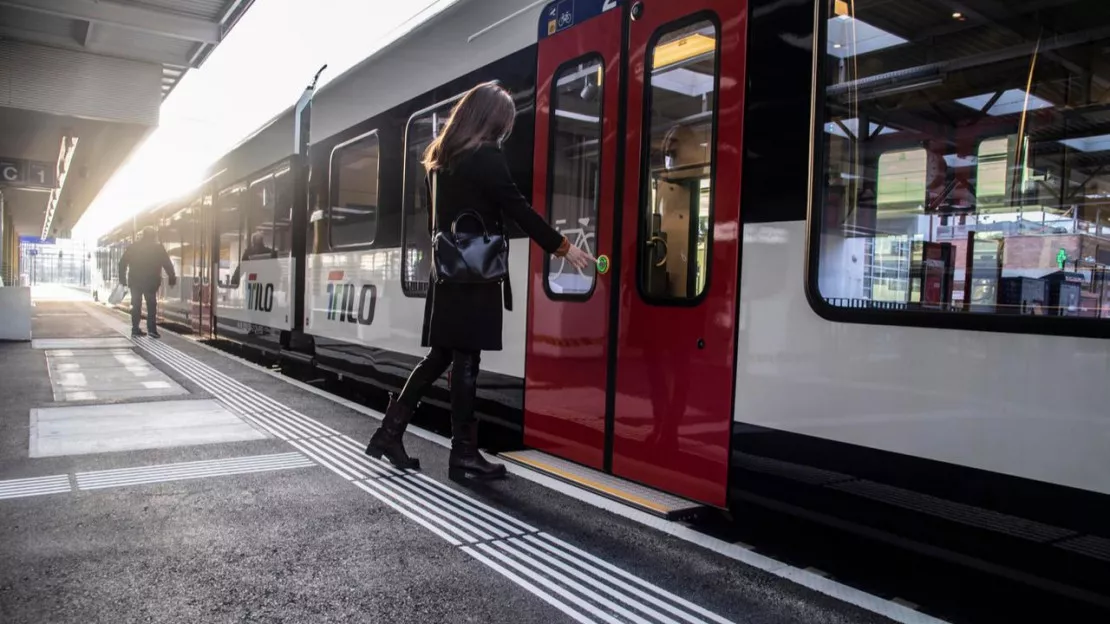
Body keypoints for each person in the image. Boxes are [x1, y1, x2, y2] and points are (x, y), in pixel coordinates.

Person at [365, 82, 594, 480]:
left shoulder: (439, 160)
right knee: (465, 361)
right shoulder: (485, 156)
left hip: (448, 273)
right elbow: (517, 208)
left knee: (440, 357)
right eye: (504, 123)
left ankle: (389, 433)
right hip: (475, 274)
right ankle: (463, 454)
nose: (505, 132)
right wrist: (562, 247)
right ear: (491, 120)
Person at [118, 226, 176, 338]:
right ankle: (152, 330)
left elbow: (122, 263)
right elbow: (167, 263)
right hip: (151, 282)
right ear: (153, 236)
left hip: (135, 282)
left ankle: (135, 329)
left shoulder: (134, 247)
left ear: (143, 235)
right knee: (151, 306)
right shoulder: (158, 248)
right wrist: (172, 278)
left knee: (136, 305)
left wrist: (123, 280)